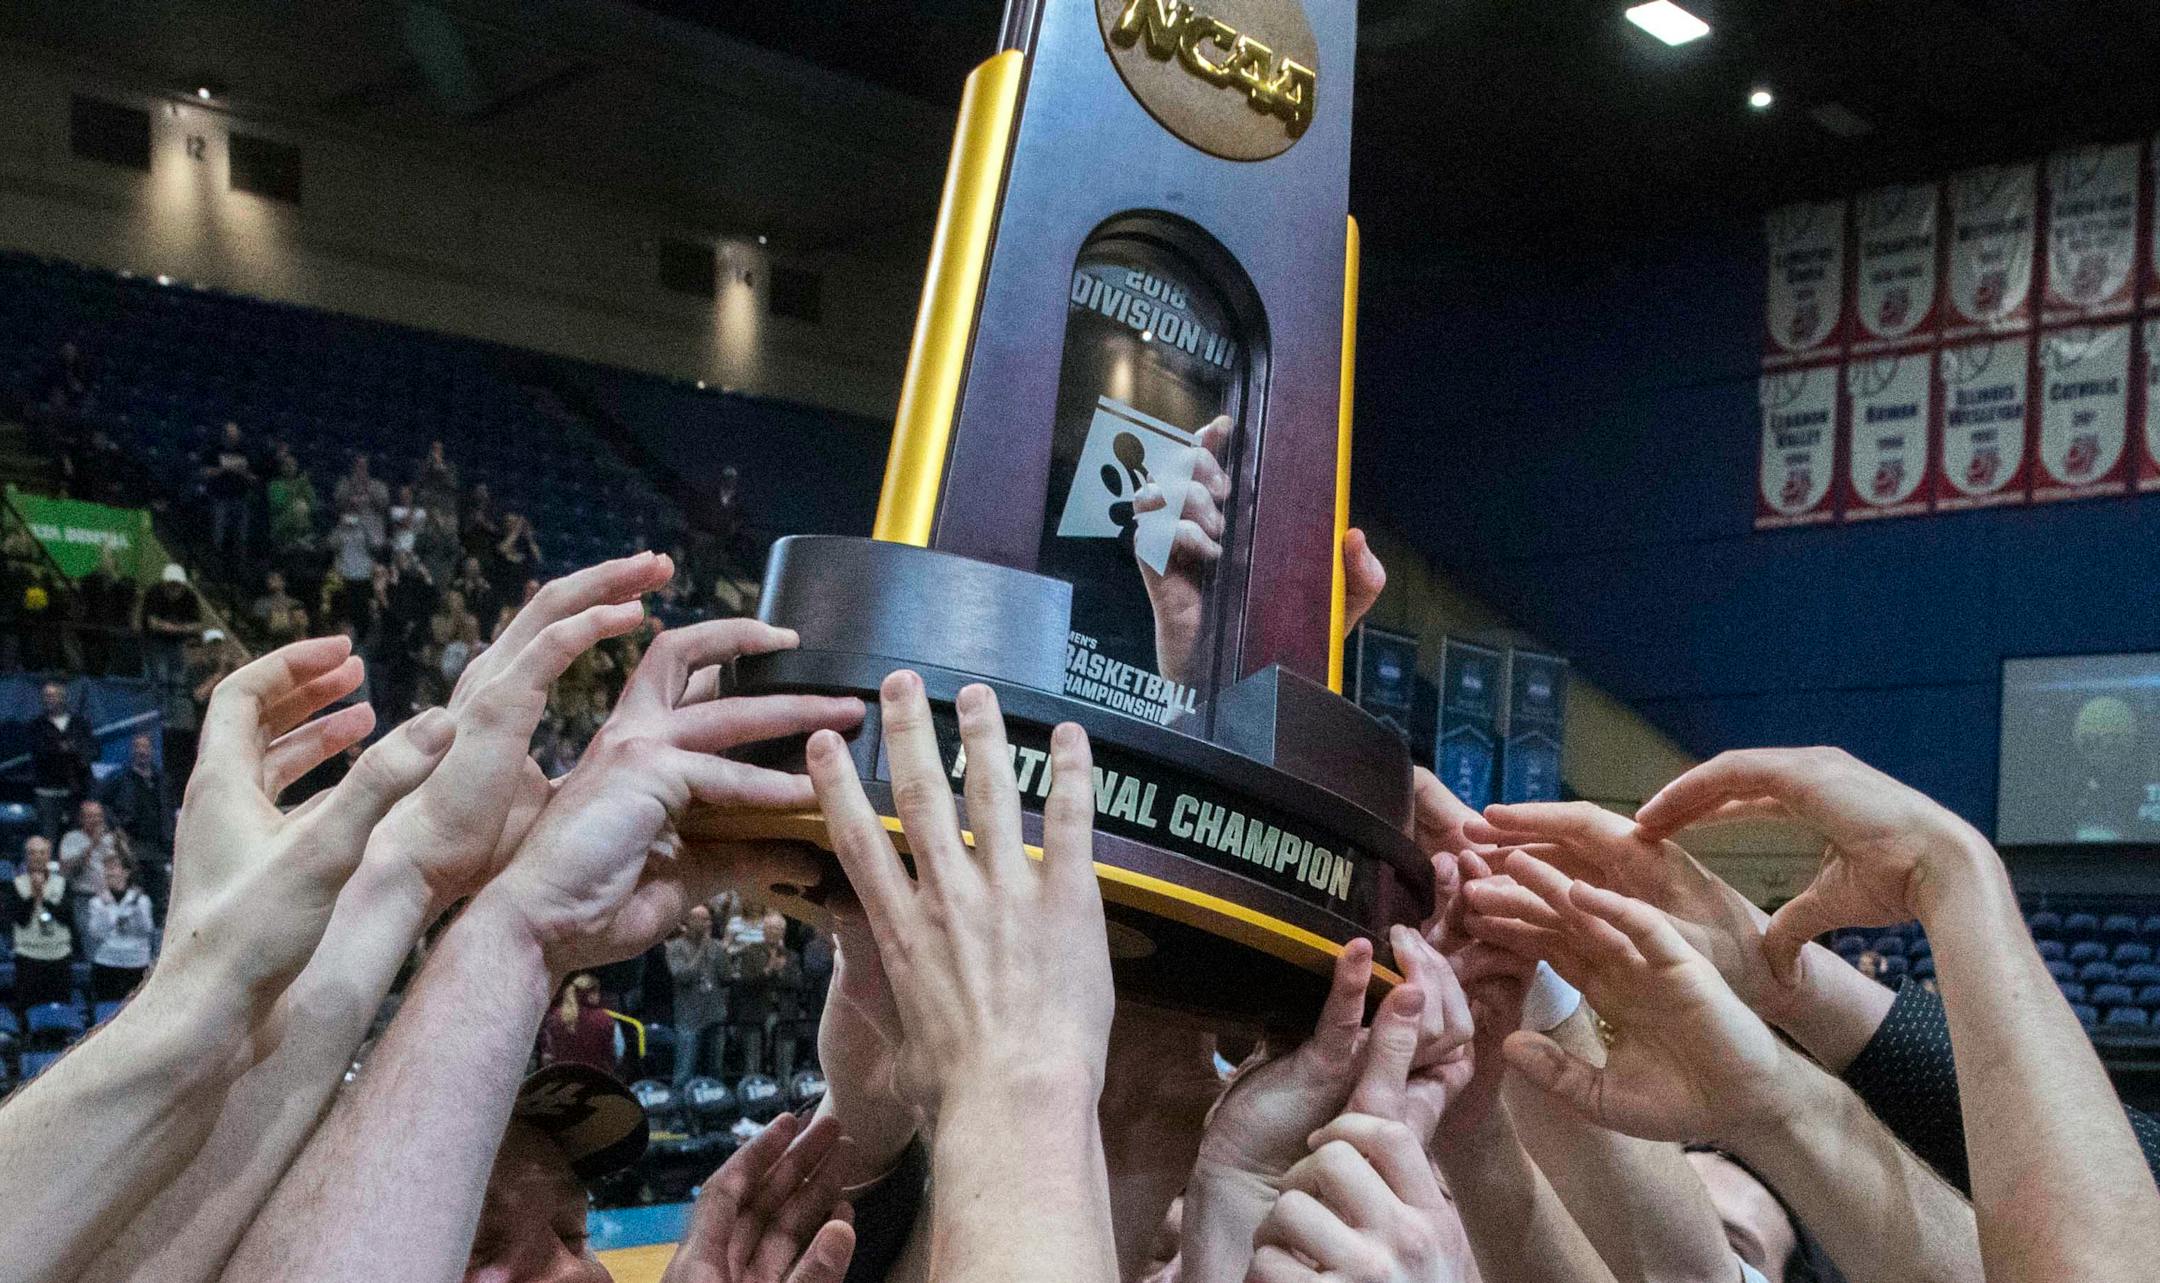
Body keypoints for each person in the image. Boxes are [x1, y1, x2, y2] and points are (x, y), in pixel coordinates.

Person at [99, 731, 170, 909]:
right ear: (132, 751)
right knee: (135, 891)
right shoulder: (120, 777)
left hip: (158, 845)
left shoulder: (162, 779)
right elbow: (101, 802)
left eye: (145, 747)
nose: (142, 751)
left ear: (152, 750)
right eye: (138, 747)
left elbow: (169, 809)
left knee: (159, 894)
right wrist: (116, 827)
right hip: (131, 844)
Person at [4, 836, 71, 1016]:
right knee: (27, 1011)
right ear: (26, 856)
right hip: (29, 958)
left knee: (59, 1012)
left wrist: (44, 897)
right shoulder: (15, 886)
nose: (37, 857)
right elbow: (20, 920)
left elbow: (67, 919)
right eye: (32, 853)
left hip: (58, 957)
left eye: (42, 852)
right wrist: (34, 895)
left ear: (49, 855)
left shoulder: (63, 884)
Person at [666, 903, 730, 1091]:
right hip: (689, 1016)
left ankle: (716, 1112)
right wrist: (702, 948)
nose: (707, 923)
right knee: (685, 1070)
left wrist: (723, 952)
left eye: (708, 919)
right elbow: (682, 976)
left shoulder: (716, 946)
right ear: (688, 920)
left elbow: (726, 977)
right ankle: (679, 1115)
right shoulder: (675, 947)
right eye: (701, 919)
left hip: (714, 1013)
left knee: (716, 1069)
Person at [28, 678, 97, 842]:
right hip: (47, 792)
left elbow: (92, 750)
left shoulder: (79, 724)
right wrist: (66, 750)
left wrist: (71, 751)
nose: (49, 699)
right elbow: (41, 753)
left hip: (76, 792)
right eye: (46, 696)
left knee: (75, 839)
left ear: (62, 698)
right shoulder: (37, 725)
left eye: (53, 695)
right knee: (48, 839)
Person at [85, 854, 155, 1003]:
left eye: (114, 868)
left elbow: (146, 929)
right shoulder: (96, 902)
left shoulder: (141, 900)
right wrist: (108, 907)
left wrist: (134, 909)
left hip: (136, 964)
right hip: (106, 963)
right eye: (107, 869)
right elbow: (96, 932)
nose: (110, 873)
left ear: (126, 872)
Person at [58, 797, 127, 945]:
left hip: (112, 899)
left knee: (115, 946)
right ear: (81, 818)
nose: (95, 820)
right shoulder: (71, 838)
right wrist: (92, 844)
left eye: (98, 816)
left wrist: (122, 842)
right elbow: (66, 871)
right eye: (90, 816)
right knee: (93, 945)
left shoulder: (111, 839)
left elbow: (127, 866)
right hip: (85, 899)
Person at [197, 421, 258, 563]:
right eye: (230, 434)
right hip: (220, 498)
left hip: (241, 497)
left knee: (242, 535)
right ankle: (215, 561)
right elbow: (204, 472)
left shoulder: (244, 451)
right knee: (219, 533)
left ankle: (240, 563)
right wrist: (222, 469)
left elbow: (254, 476)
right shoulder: (215, 450)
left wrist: (244, 473)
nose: (233, 437)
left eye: (235, 434)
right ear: (224, 434)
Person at [538, 973, 621, 1078]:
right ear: (591, 994)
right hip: (596, 1078)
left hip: (561, 1079)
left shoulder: (554, 1016)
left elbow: (547, 1054)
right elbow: (617, 1053)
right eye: (597, 992)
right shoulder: (605, 1019)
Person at [142, 563, 201, 704]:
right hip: (155, 642)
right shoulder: (154, 593)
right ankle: (153, 708)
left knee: (177, 679)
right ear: (165, 584)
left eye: (177, 586)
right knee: (157, 677)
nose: (174, 589)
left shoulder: (190, 597)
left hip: (178, 643)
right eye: (171, 585)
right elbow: (152, 622)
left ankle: (173, 710)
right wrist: (167, 627)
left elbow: (197, 624)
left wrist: (180, 629)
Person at [334, 453, 389, 546]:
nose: (361, 470)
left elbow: (383, 506)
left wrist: (368, 490)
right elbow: (338, 504)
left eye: (363, 467)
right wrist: (350, 497)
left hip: (372, 522)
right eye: (358, 466)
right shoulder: (345, 484)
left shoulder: (378, 485)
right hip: (350, 521)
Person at [250, 570, 310, 648]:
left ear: (283, 582)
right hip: (270, 644)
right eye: (269, 579)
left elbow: (302, 628)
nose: (270, 581)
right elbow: (259, 626)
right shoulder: (261, 604)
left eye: (274, 578)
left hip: (292, 643)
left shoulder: (295, 604)